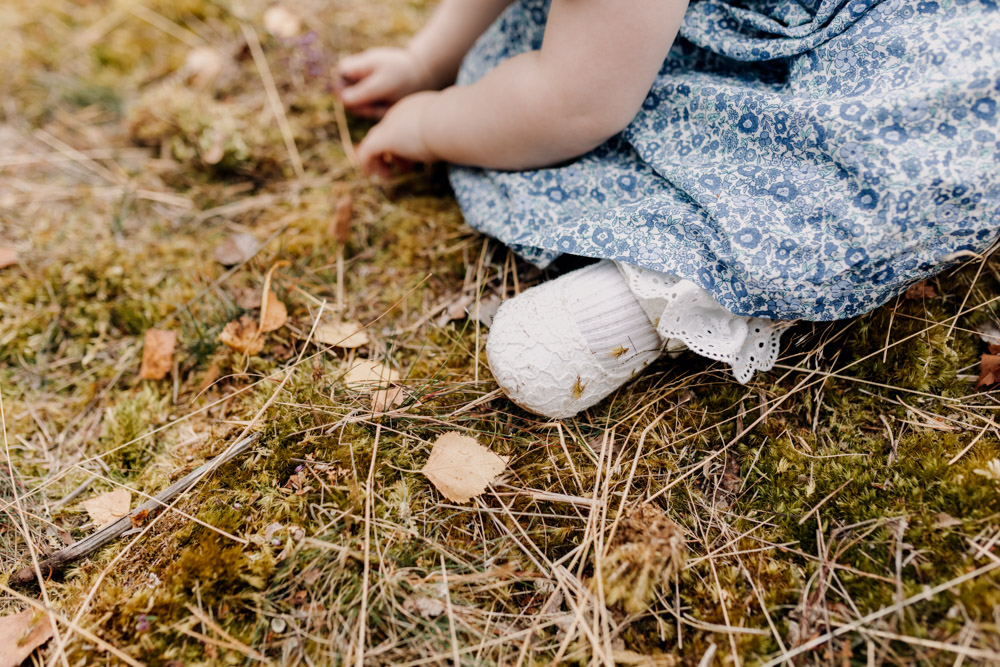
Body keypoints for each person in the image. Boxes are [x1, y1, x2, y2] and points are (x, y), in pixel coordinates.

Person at [337, 0, 1000, 419]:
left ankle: (668, 288)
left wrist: (429, 124)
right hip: (650, 53)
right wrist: (428, 58)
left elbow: (568, 104)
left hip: (827, 60)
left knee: (931, 136)